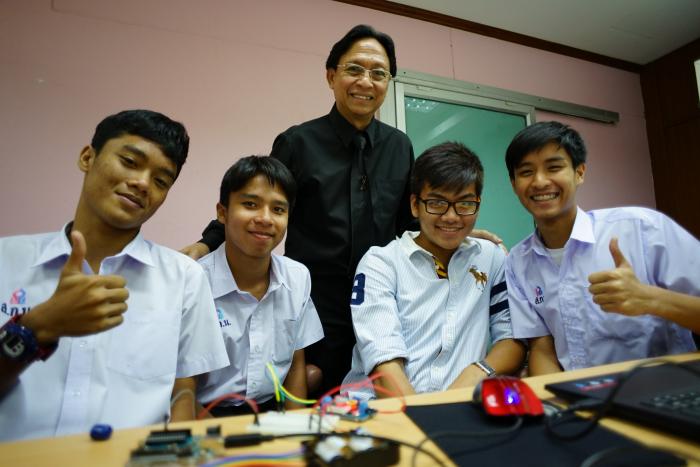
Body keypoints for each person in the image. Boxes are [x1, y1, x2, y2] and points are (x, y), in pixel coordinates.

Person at [181, 25, 415, 392]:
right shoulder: (298, 142)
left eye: (378, 73)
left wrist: (455, 235)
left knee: (380, 399)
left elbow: (408, 223)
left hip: (382, 301)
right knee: (315, 396)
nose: (365, 81)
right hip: (313, 303)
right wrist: (206, 243)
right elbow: (261, 201)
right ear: (331, 76)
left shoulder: (400, 147)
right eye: (354, 69)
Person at [0, 110, 229, 441]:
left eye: (161, 181)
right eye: (130, 162)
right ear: (87, 157)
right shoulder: (7, 260)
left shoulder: (184, 279)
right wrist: (34, 329)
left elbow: (183, 389)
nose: (142, 183)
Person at [504, 121, 700, 376]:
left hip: (667, 390)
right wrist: (559, 398)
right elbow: (542, 349)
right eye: (526, 172)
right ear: (513, 184)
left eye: (554, 167)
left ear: (579, 172)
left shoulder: (642, 228)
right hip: (580, 395)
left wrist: (650, 299)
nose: (540, 181)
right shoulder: (518, 261)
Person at [342, 142, 525, 398]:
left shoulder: (491, 258)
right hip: (380, 408)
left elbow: (511, 339)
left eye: (465, 204)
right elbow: (385, 367)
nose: (451, 217)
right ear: (415, 205)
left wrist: (477, 372)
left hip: (460, 405)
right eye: (437, 203)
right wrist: (430, 414)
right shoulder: (381, 263)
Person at [196, 156, 323, 416]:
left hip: (272, 408)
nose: (265, 218)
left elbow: (295, 364)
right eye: (250, 204)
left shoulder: (297, 277)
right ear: (222, 212)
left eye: (278, 209)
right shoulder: (195, 282)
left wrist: (295, 426)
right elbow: (180, 384)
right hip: (207, 412)